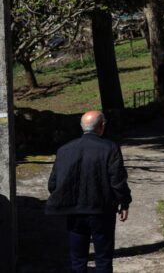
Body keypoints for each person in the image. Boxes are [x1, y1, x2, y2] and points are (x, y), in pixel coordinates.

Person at [46, 111, 131, 273]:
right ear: (102, 126)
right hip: (102, 211)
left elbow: (53, 184)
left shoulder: (64, 150)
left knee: (77, 260)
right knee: (103, 258)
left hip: (74, 211)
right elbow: (117, 181)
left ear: (82, 127)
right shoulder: (110, 148)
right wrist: (124, 202)